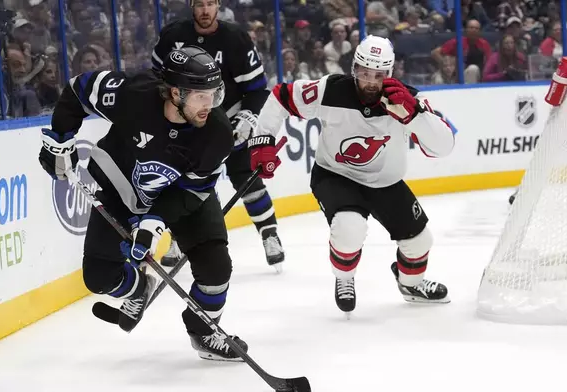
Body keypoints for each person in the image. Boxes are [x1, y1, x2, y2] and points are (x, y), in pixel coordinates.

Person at [38, 45, 248, 361]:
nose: (210, 104)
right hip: (122, 189)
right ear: (175, 92)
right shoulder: (132, 95)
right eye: (201, 96)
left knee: (217, 268)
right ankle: (137, 287)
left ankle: (204, 332)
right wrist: (60, 140)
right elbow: (78, 90)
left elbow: (193, 191)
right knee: (98, 277)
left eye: (214, 95)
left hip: (184, 197)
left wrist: (154, 221)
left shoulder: (217, 132)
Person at [248, 35, 454, 317]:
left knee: (420, 241)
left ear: (390, 74)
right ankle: (344, 277)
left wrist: (414, 115)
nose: (370, 82)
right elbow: (281, 98)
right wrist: (262, 141)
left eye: (379, 75)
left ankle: (411, 284)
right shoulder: (330, 89)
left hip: (386, 182)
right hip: (336, 175)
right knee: (349, 229)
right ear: (354, 69)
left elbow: (444, 146)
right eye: (365, 73)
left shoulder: (407, 100)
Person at [151, 0, 285, 272]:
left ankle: (269, 232)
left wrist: (247, 117)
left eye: (210, 3)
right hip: (188, 123)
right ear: (191, 5)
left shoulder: (235, 38)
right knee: (180, 184)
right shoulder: (173, 36)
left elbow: (258, 90)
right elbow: (157, 81)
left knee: (246, 177)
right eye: (199, 3)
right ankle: (178, 238)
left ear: (218, 5)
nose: (204, 10)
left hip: (229, 122)